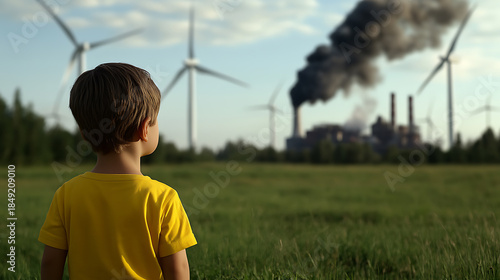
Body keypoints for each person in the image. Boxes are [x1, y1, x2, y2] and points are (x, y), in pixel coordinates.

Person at [38, 63, 197, 279]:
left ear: (85, 135)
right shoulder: (163, 198)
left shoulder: (66, 194)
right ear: (144, 129)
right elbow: (178, 269)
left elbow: (49, 262)